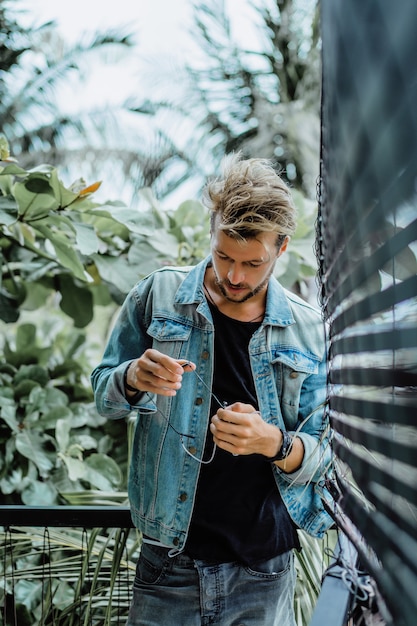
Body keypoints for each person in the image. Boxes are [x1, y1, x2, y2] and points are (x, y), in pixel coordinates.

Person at [91, 153, 333, 626]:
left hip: (263, 572)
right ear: (212, 233)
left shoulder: (309, 330)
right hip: (168, 563)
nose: (234, 276)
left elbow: (329, 455)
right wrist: (133, 379)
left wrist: (274, 443)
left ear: (282, 249)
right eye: (224, 255)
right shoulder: (157, 296)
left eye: (252, 262)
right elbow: (104, 394)